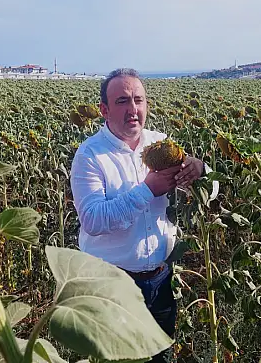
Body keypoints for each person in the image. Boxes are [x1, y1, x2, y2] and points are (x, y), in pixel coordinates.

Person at [70, 68, 207, 362]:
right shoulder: (90, 155)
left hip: (159, 281)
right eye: (122, 101)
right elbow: (93, 220)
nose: (133, 109)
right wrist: (147, 190)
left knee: (158, 356)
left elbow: (208, 190)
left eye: (138, 100)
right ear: (104, 110)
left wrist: (200, 170)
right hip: (110, 285)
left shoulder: (161, 145)